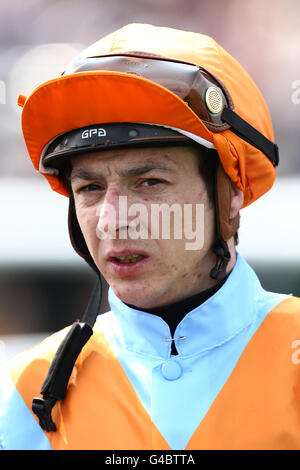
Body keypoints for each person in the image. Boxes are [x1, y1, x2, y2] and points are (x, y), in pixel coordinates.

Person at [1, 23, 300, 451]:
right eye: (90, 188)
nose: (111, 221)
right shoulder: (24, 392)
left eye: (149, 183)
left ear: (231, 192)